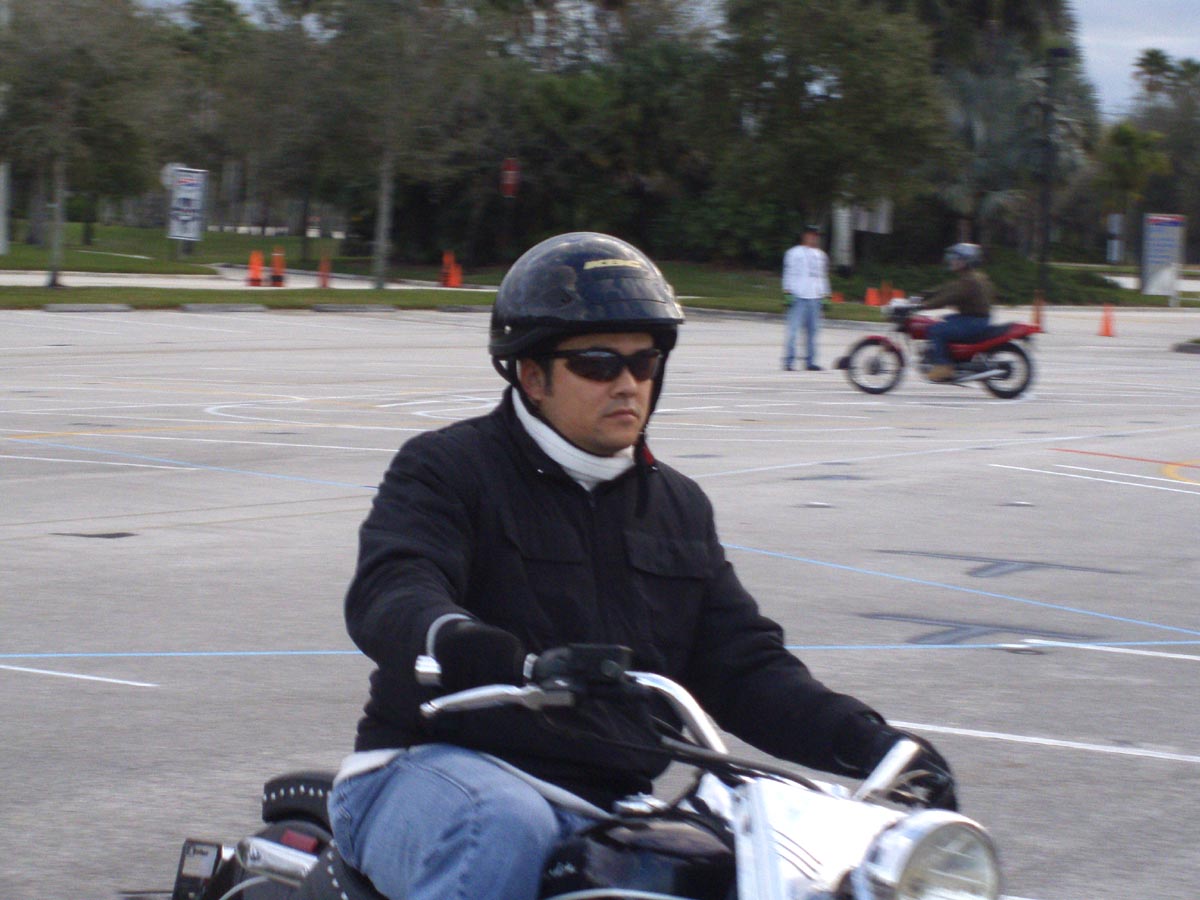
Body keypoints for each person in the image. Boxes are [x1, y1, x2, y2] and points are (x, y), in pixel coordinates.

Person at [330, 232, 956, 900]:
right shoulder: (449, 467)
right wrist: (457, 640)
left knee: (751, 863)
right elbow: (394, 585)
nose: (627, 383)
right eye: (598, 363)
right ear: (532, 375)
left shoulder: (677, 506)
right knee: (504, 826)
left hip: (606, 799)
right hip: (430, 767)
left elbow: (743, 666)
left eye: (643, 361)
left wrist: (874, 745)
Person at [921, 242, 995, 382]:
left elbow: (949, 297)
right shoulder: (973, 277)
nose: (952, 260)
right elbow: (948, 289)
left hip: (973, 321)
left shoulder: (969, 281)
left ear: (965, 261)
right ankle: (955, 358)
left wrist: (925, 305)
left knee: (936, 330)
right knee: (944, 320)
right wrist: (926, 294)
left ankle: (943, 366)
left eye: (956, 258)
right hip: (975, 319)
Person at [781, 225, 830, 371]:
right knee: (793, 331)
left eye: (816, 236)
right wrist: (787, 292)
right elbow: (788, 273)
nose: (813, 238)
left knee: (813, 332)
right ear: (804, 236)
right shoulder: (793, 253)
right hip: (798, 295)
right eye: (811, 235)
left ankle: (810, 361)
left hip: (815, 297)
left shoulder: (821, 255)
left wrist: (826, 295)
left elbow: (822, 276)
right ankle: (789, 361)